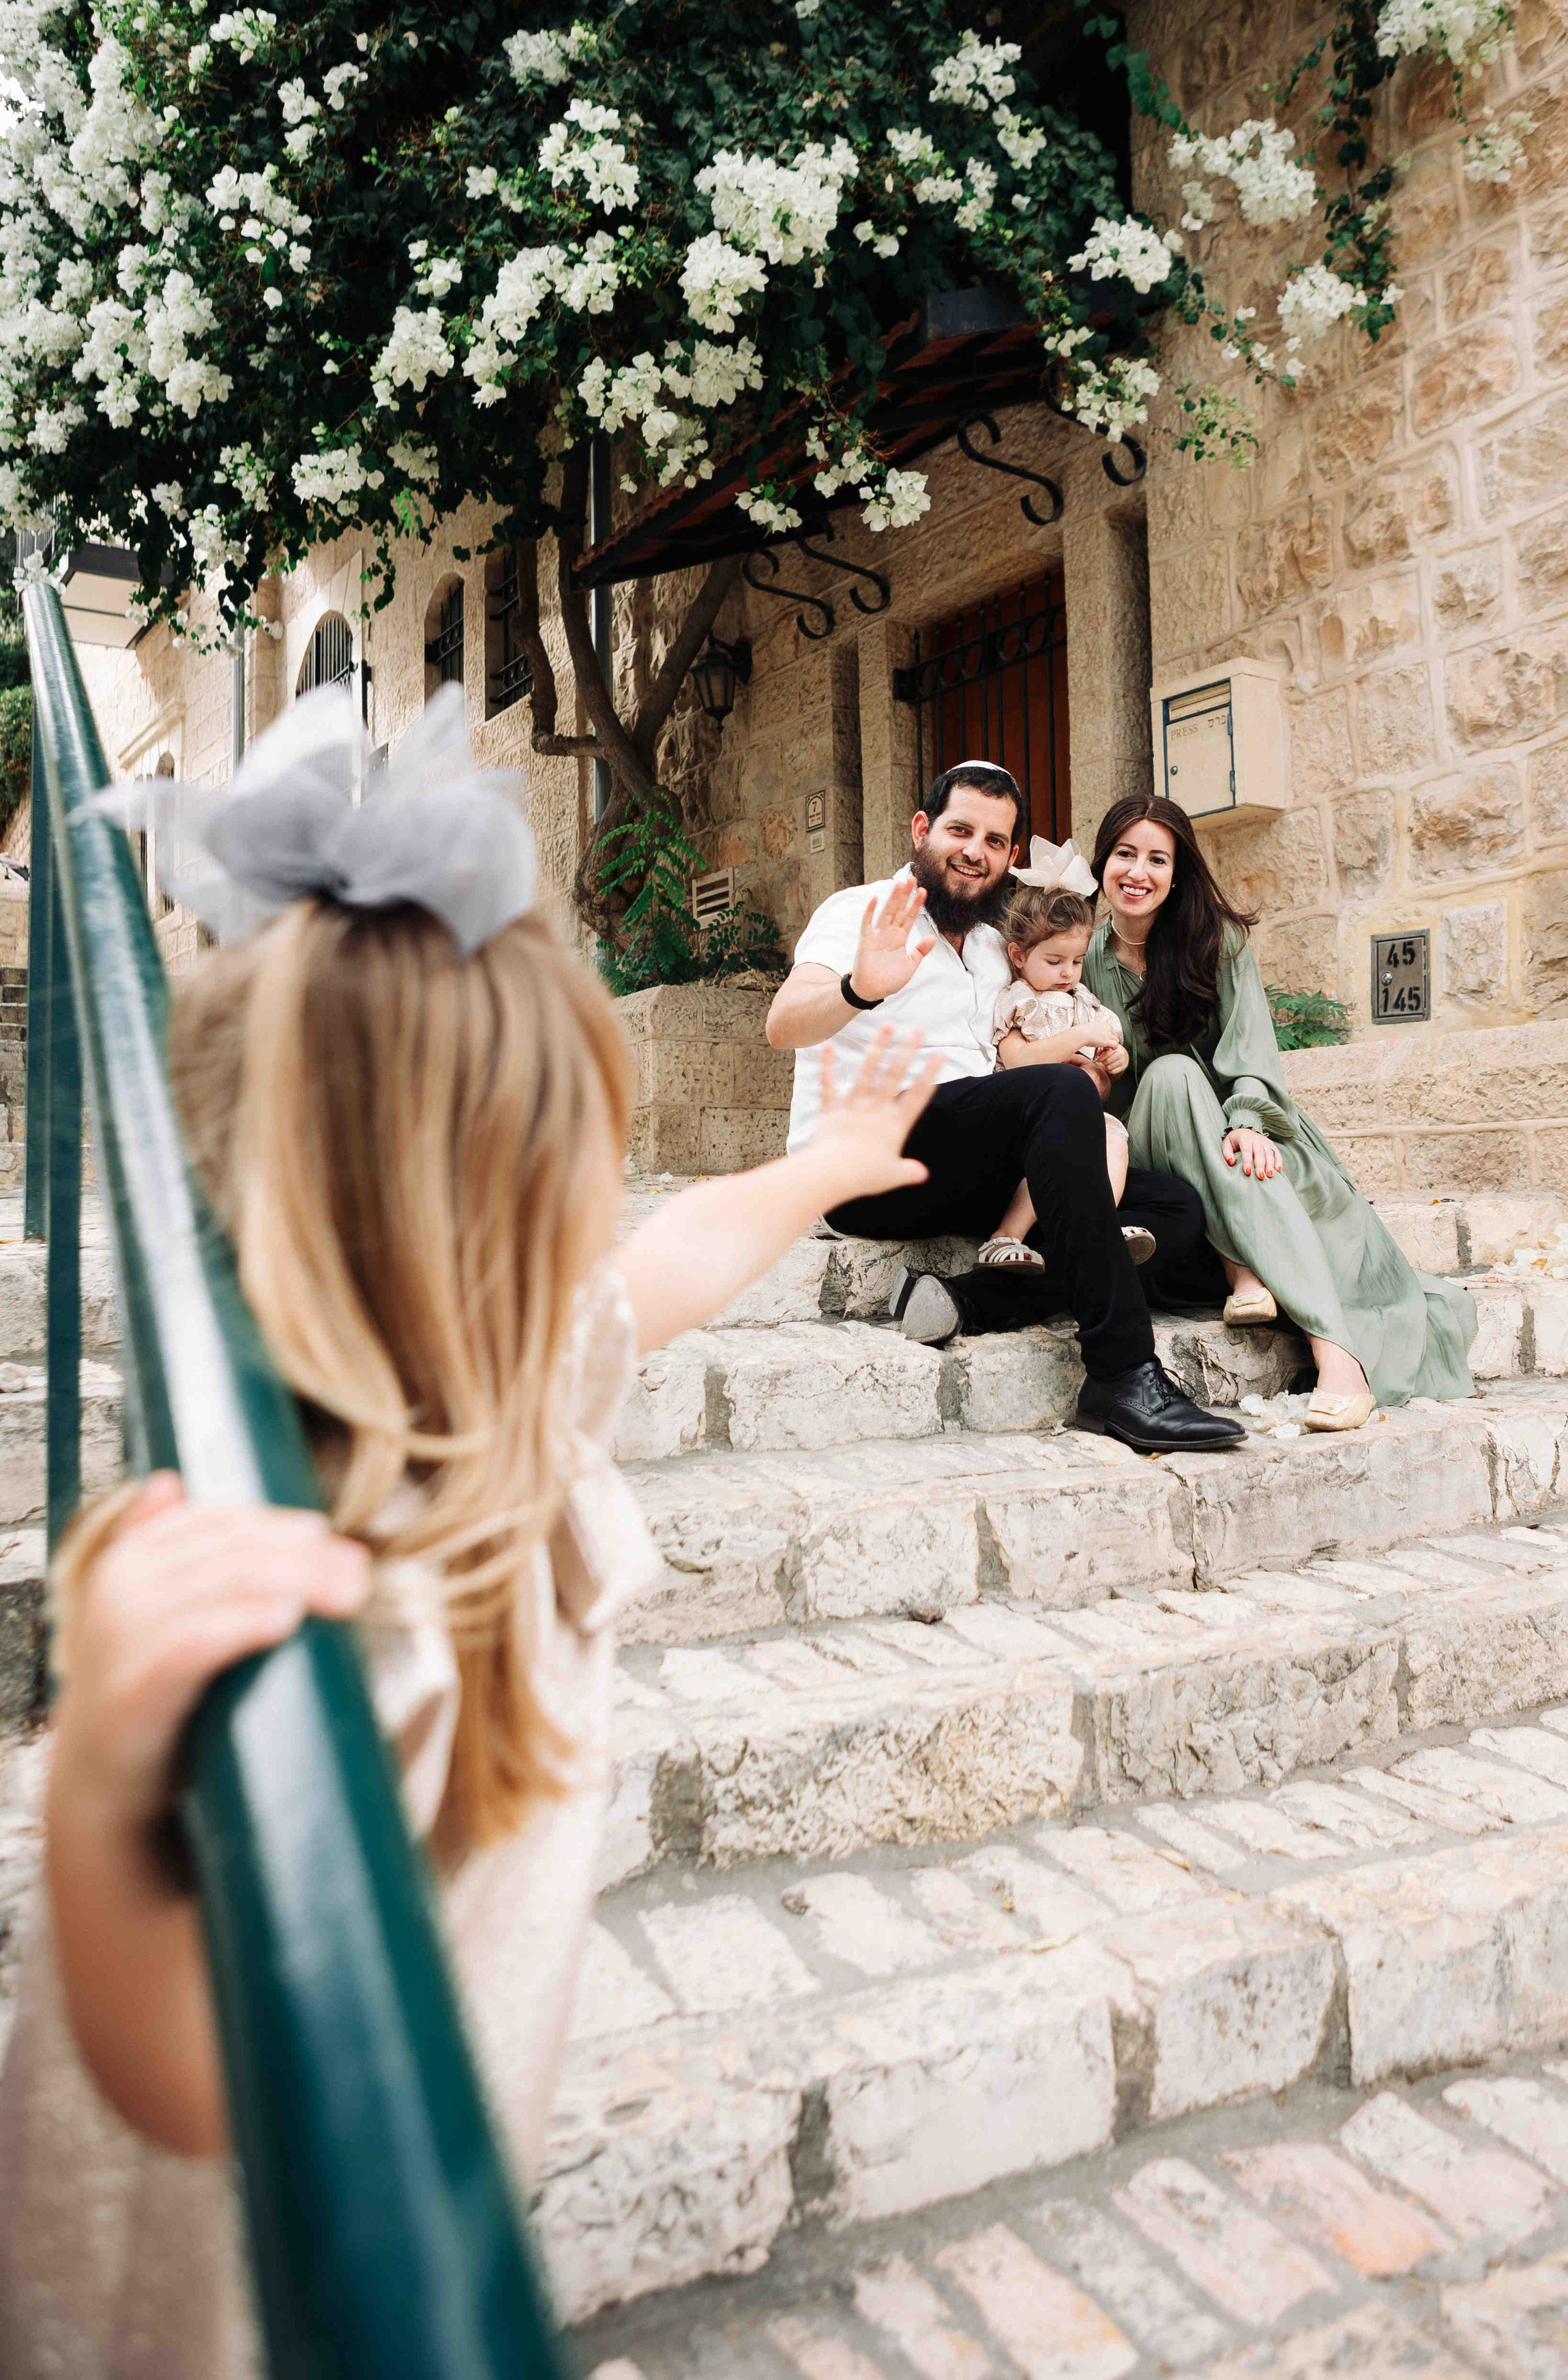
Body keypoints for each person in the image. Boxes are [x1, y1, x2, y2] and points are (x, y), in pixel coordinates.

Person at [0, 685, 940, 2380]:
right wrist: (101, 1772)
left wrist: (820, 1171)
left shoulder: (514, 1375)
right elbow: (195, 2075)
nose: (613, 1184)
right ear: (490, 1205)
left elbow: (670, 1265)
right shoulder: (302, 1583)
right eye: (584, 1147)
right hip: (241, 2300)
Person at [765, 761, 1243, 1454]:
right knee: (1058, 1094)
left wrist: (1088, 1072)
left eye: (995, 841)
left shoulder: (998, 948)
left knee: (1173, 1212)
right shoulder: (863, 912)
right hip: (864, 1161)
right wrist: (857, 989)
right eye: (960, 830)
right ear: (922, 830)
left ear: (1012, 856)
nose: (974, 851)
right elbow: (783, 1025)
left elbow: (1014, 1077)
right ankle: (1121, 1374)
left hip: (965, 1168)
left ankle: (965, 1299)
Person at [1080, 789, 1477, 1431]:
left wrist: (1244, 1118)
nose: (1138, 872)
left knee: (1275, 1167)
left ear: (1176, 874)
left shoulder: (1217, 942)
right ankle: (1319, 1335)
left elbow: (1252, 1052)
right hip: (1149, 1147)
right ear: (1103, 862)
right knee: (1175, 1075)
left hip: (1235, 1129)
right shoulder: (1087, 959)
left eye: (1158, 859)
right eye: (1125, 854)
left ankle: (1320, 1337)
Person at [981, 877, 1153, 1276]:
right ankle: (1006, 1235)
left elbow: (1100, 1057)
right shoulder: (1020, 1001)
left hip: (1082, 1115)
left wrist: (1114, 1059)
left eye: (1076, 962)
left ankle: (1099, 1225)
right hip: (1029, 1119)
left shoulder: (1084, 1002)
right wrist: (1079, 1037)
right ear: (1019, 955)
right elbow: (1020, 1061)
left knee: (1113, 1140)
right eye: (1055, 961)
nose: (1068, 973)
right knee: (1053, 1146)